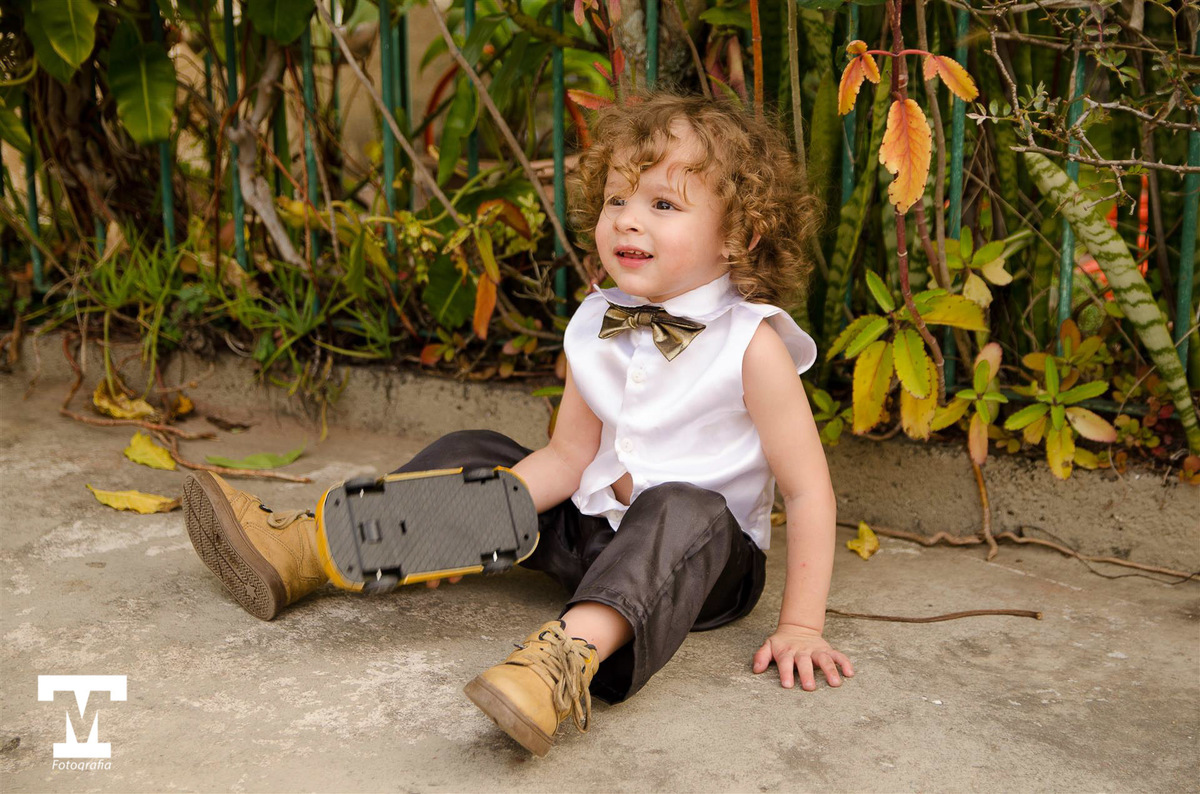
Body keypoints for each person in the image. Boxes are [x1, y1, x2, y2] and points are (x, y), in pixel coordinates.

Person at [181, 90, 854, 758]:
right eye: (617, 200)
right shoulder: (596, 321)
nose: (626, 221)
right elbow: (566, 459)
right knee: (474, 450)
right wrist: (456, 522)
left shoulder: (753, 345)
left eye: (663, 205)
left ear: (742, 235)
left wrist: (801, 625)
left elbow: (808, 491)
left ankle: (557, 666)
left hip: (702, 567)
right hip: (594, 535)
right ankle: (313, 550)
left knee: (685, 506)